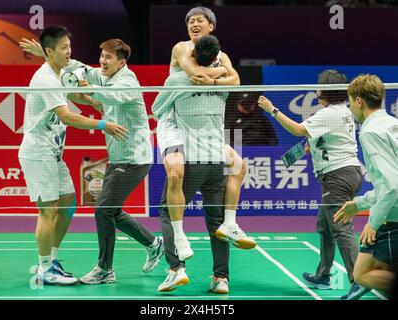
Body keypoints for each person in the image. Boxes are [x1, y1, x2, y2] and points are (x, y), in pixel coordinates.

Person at [20, 37, 165, 284]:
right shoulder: (103, 74)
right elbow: (80, 67)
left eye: (108, 57)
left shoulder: (127, 81)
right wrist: (48, 56)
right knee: (111, 210)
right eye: (102, 56)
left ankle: (105, 269)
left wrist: (86, 88)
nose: (102, 61)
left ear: (122, 61)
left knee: (103, 210)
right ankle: (153, 243)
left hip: (134, 159)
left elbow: (108, 97)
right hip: (118, 156)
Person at [257, 69, 368, 300]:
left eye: (319, 87)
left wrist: (273, 110)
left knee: (340, 228)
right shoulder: (340, 111)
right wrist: (315, 145)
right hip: (346, 172)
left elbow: (298, 129)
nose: (316, 90)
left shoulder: (328, 115)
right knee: (325, 226)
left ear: (325, 91)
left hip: (338, 177)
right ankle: (324, 274)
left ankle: (358, 280)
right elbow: (330, 137)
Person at [159, 6, 255, 261]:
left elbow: (236, 82)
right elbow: (195, 74)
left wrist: (216, 79)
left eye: (199, 20)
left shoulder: (222, 55)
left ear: (211, 26)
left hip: (203, 125)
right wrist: (221, 72)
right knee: (176, 172)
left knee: (238, 166)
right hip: (175, 118)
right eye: (190, 21)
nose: (193, 24)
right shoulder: (181, 48)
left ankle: (230, 223)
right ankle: (179, 238)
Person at [152, 35, 230, 294]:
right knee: (217, 221)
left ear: (192, 54)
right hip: (218, 161)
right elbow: (229, 76)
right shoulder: (223, 83)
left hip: (192, 160)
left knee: (167, 209)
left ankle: (176, 269)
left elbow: (156, 109)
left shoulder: (176, 80)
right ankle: (221, 278)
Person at [334, 74, 398, 299]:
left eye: (350, 101)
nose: (350, 107)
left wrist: (373, 222)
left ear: (358, 101)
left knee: (362, 274)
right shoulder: (393, 123)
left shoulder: (370, 132)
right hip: (391, 211)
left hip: (392, 218)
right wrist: (360, 203)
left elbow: (391, 185)